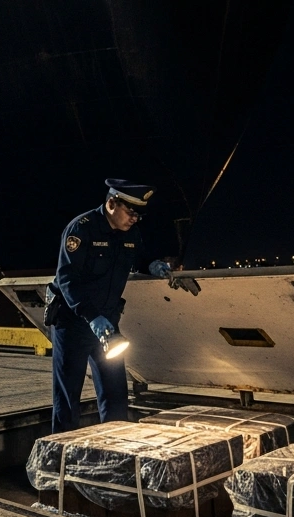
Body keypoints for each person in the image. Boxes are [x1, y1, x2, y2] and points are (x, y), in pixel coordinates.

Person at [43, 179, 197, 434]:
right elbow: (67, 279)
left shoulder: (130, 233)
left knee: (115, 395)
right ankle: (60, 457)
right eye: (131, 212)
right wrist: (92, 317)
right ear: (111, 203)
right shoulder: (81, 229)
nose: (135, 219)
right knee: (68, 398)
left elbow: (138, 256)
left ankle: (115, 454)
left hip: (107, 325)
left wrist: (153, 265)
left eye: (139, 214)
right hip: (74, 324)